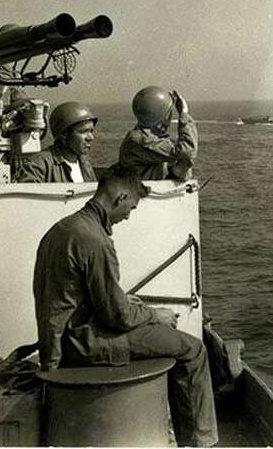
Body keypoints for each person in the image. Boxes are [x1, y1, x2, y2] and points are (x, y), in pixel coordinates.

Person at [33, 163, 218, 447]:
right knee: (193, 351)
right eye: (130, 208)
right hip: (82, 343)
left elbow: (74, 295)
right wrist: (154, 315)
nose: (127, 217)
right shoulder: (96, 241)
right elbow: (116, 316)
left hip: (58, 341)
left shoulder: (63, 229)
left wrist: (128, 303)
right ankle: (200, 444)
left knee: (148, 318)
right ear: (119, 199)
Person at [119, 86, 198, 180]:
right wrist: (184, 114)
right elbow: (188, 150)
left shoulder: (145, 137)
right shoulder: (142, 140)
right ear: (162, 116)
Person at [16, 101, 97, 183]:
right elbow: (27, 194)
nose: (90, 137)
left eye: (91, 131)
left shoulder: (84, 163)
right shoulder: (39, 164)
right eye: (83, 131)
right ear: (64, 134)